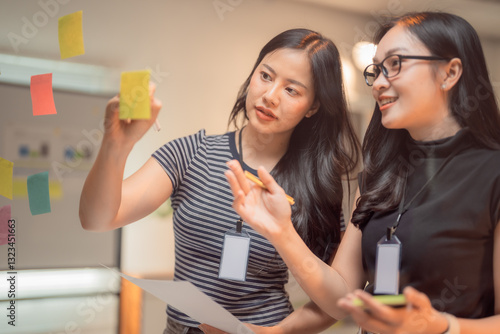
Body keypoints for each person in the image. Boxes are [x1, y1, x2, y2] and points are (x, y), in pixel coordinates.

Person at [225, 11, 500, 334]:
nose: (380, 82)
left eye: (395, 64)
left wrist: (442, 326)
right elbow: (341, 297)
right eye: (377, 70)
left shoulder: (492, 174)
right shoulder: (379, 175)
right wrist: (282, 232)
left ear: (449, 72)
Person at [79, 28, 360, 333]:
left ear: (314, 107)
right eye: (265, 76)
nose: (270, 96)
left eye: (292, 90)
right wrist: (115, 146)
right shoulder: (190, 154)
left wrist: (276, 333)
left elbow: (337, 300)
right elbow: (96, 219)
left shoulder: (317, 185)